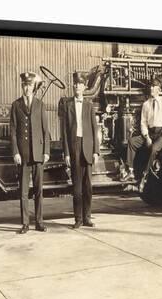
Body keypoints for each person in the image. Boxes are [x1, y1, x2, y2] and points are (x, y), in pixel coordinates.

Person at [121, 78, 162, 191]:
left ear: (159, 89)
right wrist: (146, 136)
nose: (152, 88)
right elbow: (143, 123)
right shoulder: (146, 104)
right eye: (151, 86)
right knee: (132, 142)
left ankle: (144, 176)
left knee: (153, 149)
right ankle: (131, 171)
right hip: (150, 134)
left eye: (154, 86)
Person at [10, 72, 50, 234]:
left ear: (34, 87)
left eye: (30, 85)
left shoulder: (40, 105)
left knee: (39, 190)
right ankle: (25, 223)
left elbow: (45, 130)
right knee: (23, 192)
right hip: (23, 156)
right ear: (22, 86)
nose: (27, 88)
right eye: (25, 85)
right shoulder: (16, 105)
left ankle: (39, 222)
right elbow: (13, 131)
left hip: (38, 154)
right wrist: (15, 152)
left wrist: (46, 151)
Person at [60, 72, 99, 229]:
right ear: (73, 86)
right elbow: (64, 132)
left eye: (80, 84)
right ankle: (78, 219)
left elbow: (95, 129)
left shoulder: (89, 105)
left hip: (88, 148)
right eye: (75, 83)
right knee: (76, 187)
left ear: (84, 87)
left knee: (88, 186)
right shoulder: (67, 105)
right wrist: (67, 153)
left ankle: (87, 217)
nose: (77, 86)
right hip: (74, 146)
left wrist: (96, 151)